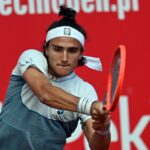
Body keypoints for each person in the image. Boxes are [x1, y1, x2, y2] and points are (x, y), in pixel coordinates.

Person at [0, 5, 111, 150]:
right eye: (57, 49)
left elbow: (98, 148)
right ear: (46, 48)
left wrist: (103, 129)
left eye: (72, 51)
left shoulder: (85, 90)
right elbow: (45, 93)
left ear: (81, 53)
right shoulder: (31, 57)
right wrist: (89, 107)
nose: (64, 58)